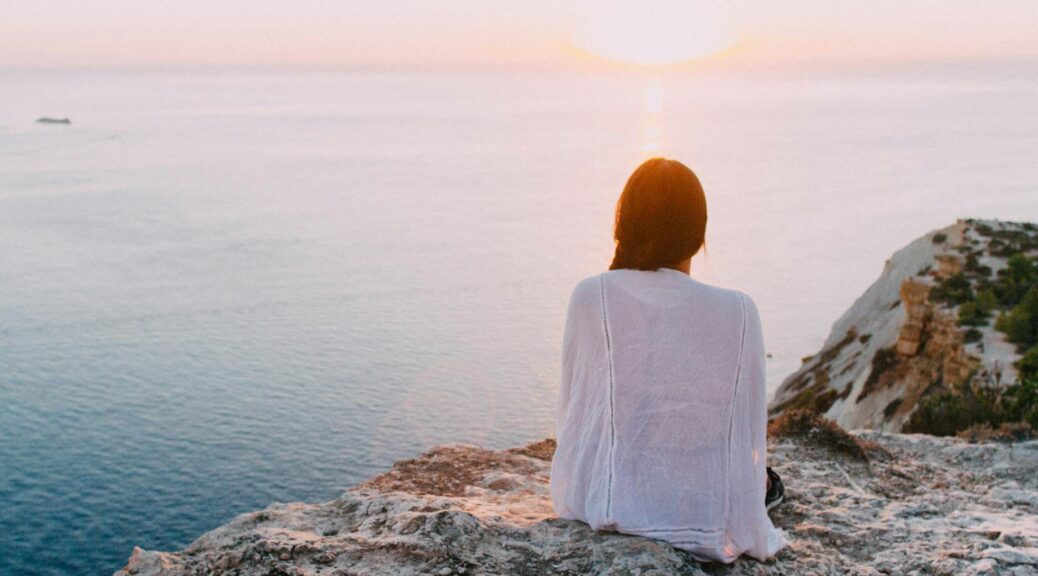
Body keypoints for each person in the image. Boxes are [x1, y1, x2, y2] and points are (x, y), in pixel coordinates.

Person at [550, 158, 786, 563]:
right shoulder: (740, 311)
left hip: (606, 502)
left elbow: (574, 418)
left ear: (623, 224)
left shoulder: (590, 296)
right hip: (702, 508)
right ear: (697, 235)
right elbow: (747, 432)